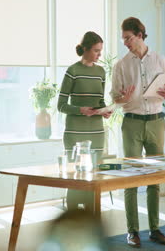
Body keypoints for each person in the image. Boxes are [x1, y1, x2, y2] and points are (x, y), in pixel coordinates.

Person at [110, 17, 165, 248]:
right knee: (132, 177)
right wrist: (122, 98)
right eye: (123, 39)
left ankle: (155, 229)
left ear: (139, 34)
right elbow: (114, 97)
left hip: (156, 121)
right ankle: (132, 231)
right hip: (132, 123)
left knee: (155, 177)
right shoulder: (121, 65)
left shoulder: (160, 59)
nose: (125, 42)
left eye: (128, 37)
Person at [57, 31, 111, 211]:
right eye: (96, 50)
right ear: (85, 49)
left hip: (96, 132)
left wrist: (104, 111)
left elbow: (99, 100)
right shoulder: (73, 71)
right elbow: (61, 105)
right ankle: (72, 216)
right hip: (75, 133)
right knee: (75, 177)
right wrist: (80, 110)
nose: (99, 55)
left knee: (93, 176)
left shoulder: (101, 72)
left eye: (100, 51)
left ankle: (91, 217)